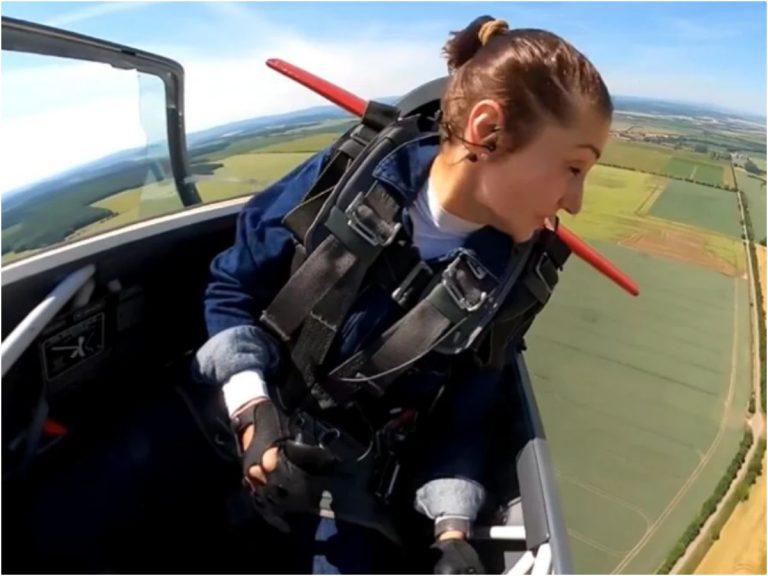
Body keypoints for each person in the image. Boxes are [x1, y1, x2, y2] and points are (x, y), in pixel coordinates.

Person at [193, 14, 612, 574]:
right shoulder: (346, 182)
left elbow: (465, 418)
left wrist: (453, 533)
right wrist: (253, 412)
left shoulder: (508, 285)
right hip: (227, 417)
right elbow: (233, 286)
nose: (576, 202)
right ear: (489, 131)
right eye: (572, 167)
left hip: (339, 496)